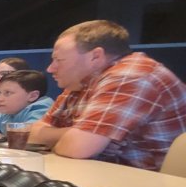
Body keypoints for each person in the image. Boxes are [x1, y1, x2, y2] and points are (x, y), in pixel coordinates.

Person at [30, 20, 186, 170]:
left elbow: (76, 148)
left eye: (59, 60)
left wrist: (72, 137)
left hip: (156, 183)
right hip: (110, 176)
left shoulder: (130, 76)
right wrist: (71, 133)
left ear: (96, 56)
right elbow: (33, 135)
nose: (50, 68)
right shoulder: (80, 83)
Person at [0, 70, 53, 137]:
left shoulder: (41, 108)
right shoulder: (7, 113)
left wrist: (6, 138)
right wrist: (2, 137)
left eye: (7, 93)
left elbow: (30, 135)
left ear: (32, 96)